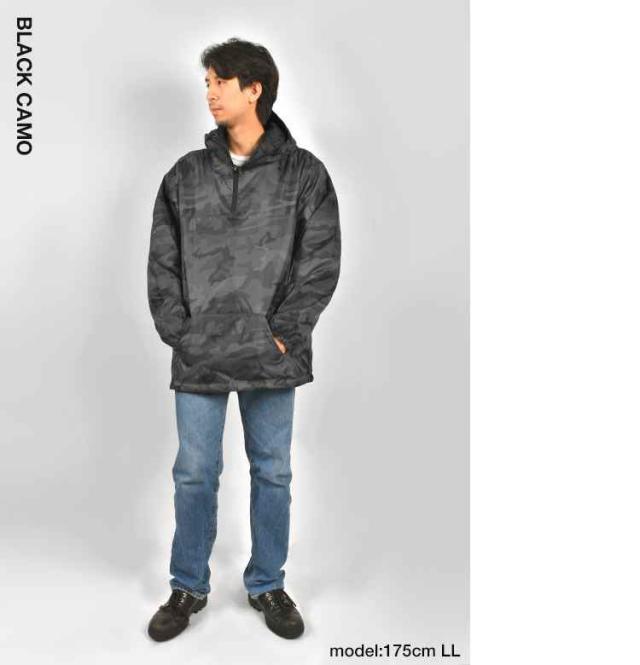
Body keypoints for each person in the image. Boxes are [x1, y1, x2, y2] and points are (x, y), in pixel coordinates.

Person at [145, 37, 341, 642]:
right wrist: (181, 333)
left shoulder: (304, 173)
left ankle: (267, 584)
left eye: (219, 81)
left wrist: (284, 334)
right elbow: (162, 261)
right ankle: (187, 585)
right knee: (194, 473)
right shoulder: (185, 175)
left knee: (273, 471)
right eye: (206, 82)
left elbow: (320, 261)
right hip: (201, 353)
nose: (209, 92)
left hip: (270, 354)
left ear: (254, 88)